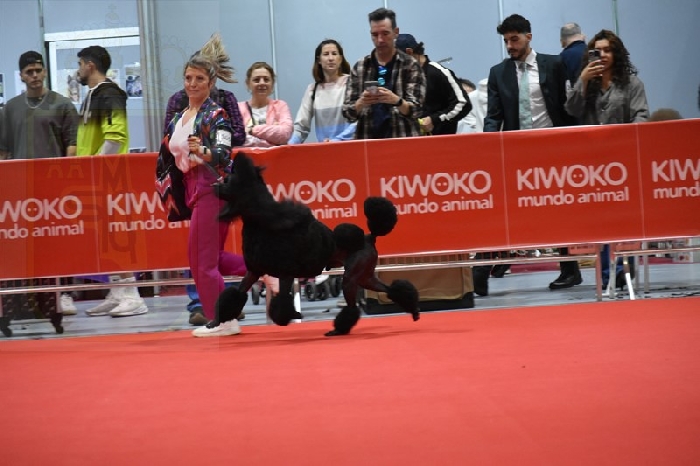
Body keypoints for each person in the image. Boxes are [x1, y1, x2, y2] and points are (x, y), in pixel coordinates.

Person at [476, 14, 578, 296]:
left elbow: (567, 107)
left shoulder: (554, 65)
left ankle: (569, 269)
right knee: (504, 209)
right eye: (506, 41)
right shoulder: (498, 73)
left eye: (515, 39)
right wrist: (488, 146)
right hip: (515, 150)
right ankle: (483, 267)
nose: (510, 45)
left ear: (528, 37)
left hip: (552, 148)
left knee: (557, 209)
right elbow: (493, 116)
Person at [158, 41, 248, 337]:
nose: (192, 84)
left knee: (201, 260)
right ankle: (265, 268)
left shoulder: (216, 115)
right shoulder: (179, 116)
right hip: (192, 189)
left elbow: (223, 153)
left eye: (199, 79)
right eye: (188, 78)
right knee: (210, 257)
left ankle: (222, 319)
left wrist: (203, 151)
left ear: (211, 83)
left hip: (212, 187)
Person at [565, 29, 649, 290]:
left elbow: (641, 117)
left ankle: (625, 271)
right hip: (593, 163)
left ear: (617, 54)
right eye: (597, 50)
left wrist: (622, 139)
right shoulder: (586, 82)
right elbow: (571, 110)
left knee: (625, 218)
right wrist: (583, 80)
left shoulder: (632, 84)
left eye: (608, 50)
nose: (602, 54)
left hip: (623, 161)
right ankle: (605, 274)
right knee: (599, 219)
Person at [0, 50, 80, 315]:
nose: (34, 75)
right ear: (21, 76)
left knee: (59, 241)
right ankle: (29, 297)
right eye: (29, 72)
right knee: (25, 242)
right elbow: (4, 151)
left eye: (38, 70)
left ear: (45, 71)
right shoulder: (10, 109)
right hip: (20, 190)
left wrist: (67, 183)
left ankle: (63, 293)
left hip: (55, 188)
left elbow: (71, 147)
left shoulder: (63, 104)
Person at [74, 45, 148, 317]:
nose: (78, 70)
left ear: (90, 65)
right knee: (105, 236)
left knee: (116, 236)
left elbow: (115, 138)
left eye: (80, 64)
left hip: (108, 177)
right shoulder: (93, 95)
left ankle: (132, 296)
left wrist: (95, 168)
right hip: (96, 176)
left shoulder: (110, 94)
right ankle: (118, 292)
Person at [342, 7, 426, 139]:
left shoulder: (410, 65)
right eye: (375, 35)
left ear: (396, 32)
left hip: (403, 141)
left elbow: (417, 110)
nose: (380, 40)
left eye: (385, 33)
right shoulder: (360, 67)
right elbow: (347, 113)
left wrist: (397, 101)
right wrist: (361, 103)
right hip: (368, 141)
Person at [395, 33, 471, 135]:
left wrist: (434, 119)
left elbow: (463, 103)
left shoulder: (437, 72)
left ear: (409, 52)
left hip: (440, 140)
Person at [289, 39, 356, 143]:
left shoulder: (351, 83)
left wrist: (337, 140)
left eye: (334, 54)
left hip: (350, 147)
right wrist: (290, 145)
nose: (330, 58)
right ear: (319, 60)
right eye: (326, 54)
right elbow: (301, 126)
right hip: (325, 148)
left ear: (340, 59)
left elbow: (358, 121)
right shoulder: (313, 90)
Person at [237, 61, 293, 147]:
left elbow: (285, 134)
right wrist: (272, 138)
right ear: (248, 83)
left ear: (272, 83)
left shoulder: (280, 106)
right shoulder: (238, 108)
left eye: (266, 79)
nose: (262, 83)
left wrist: (252, 130)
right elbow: (237, 138)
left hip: (276, 155)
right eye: (256, 80)